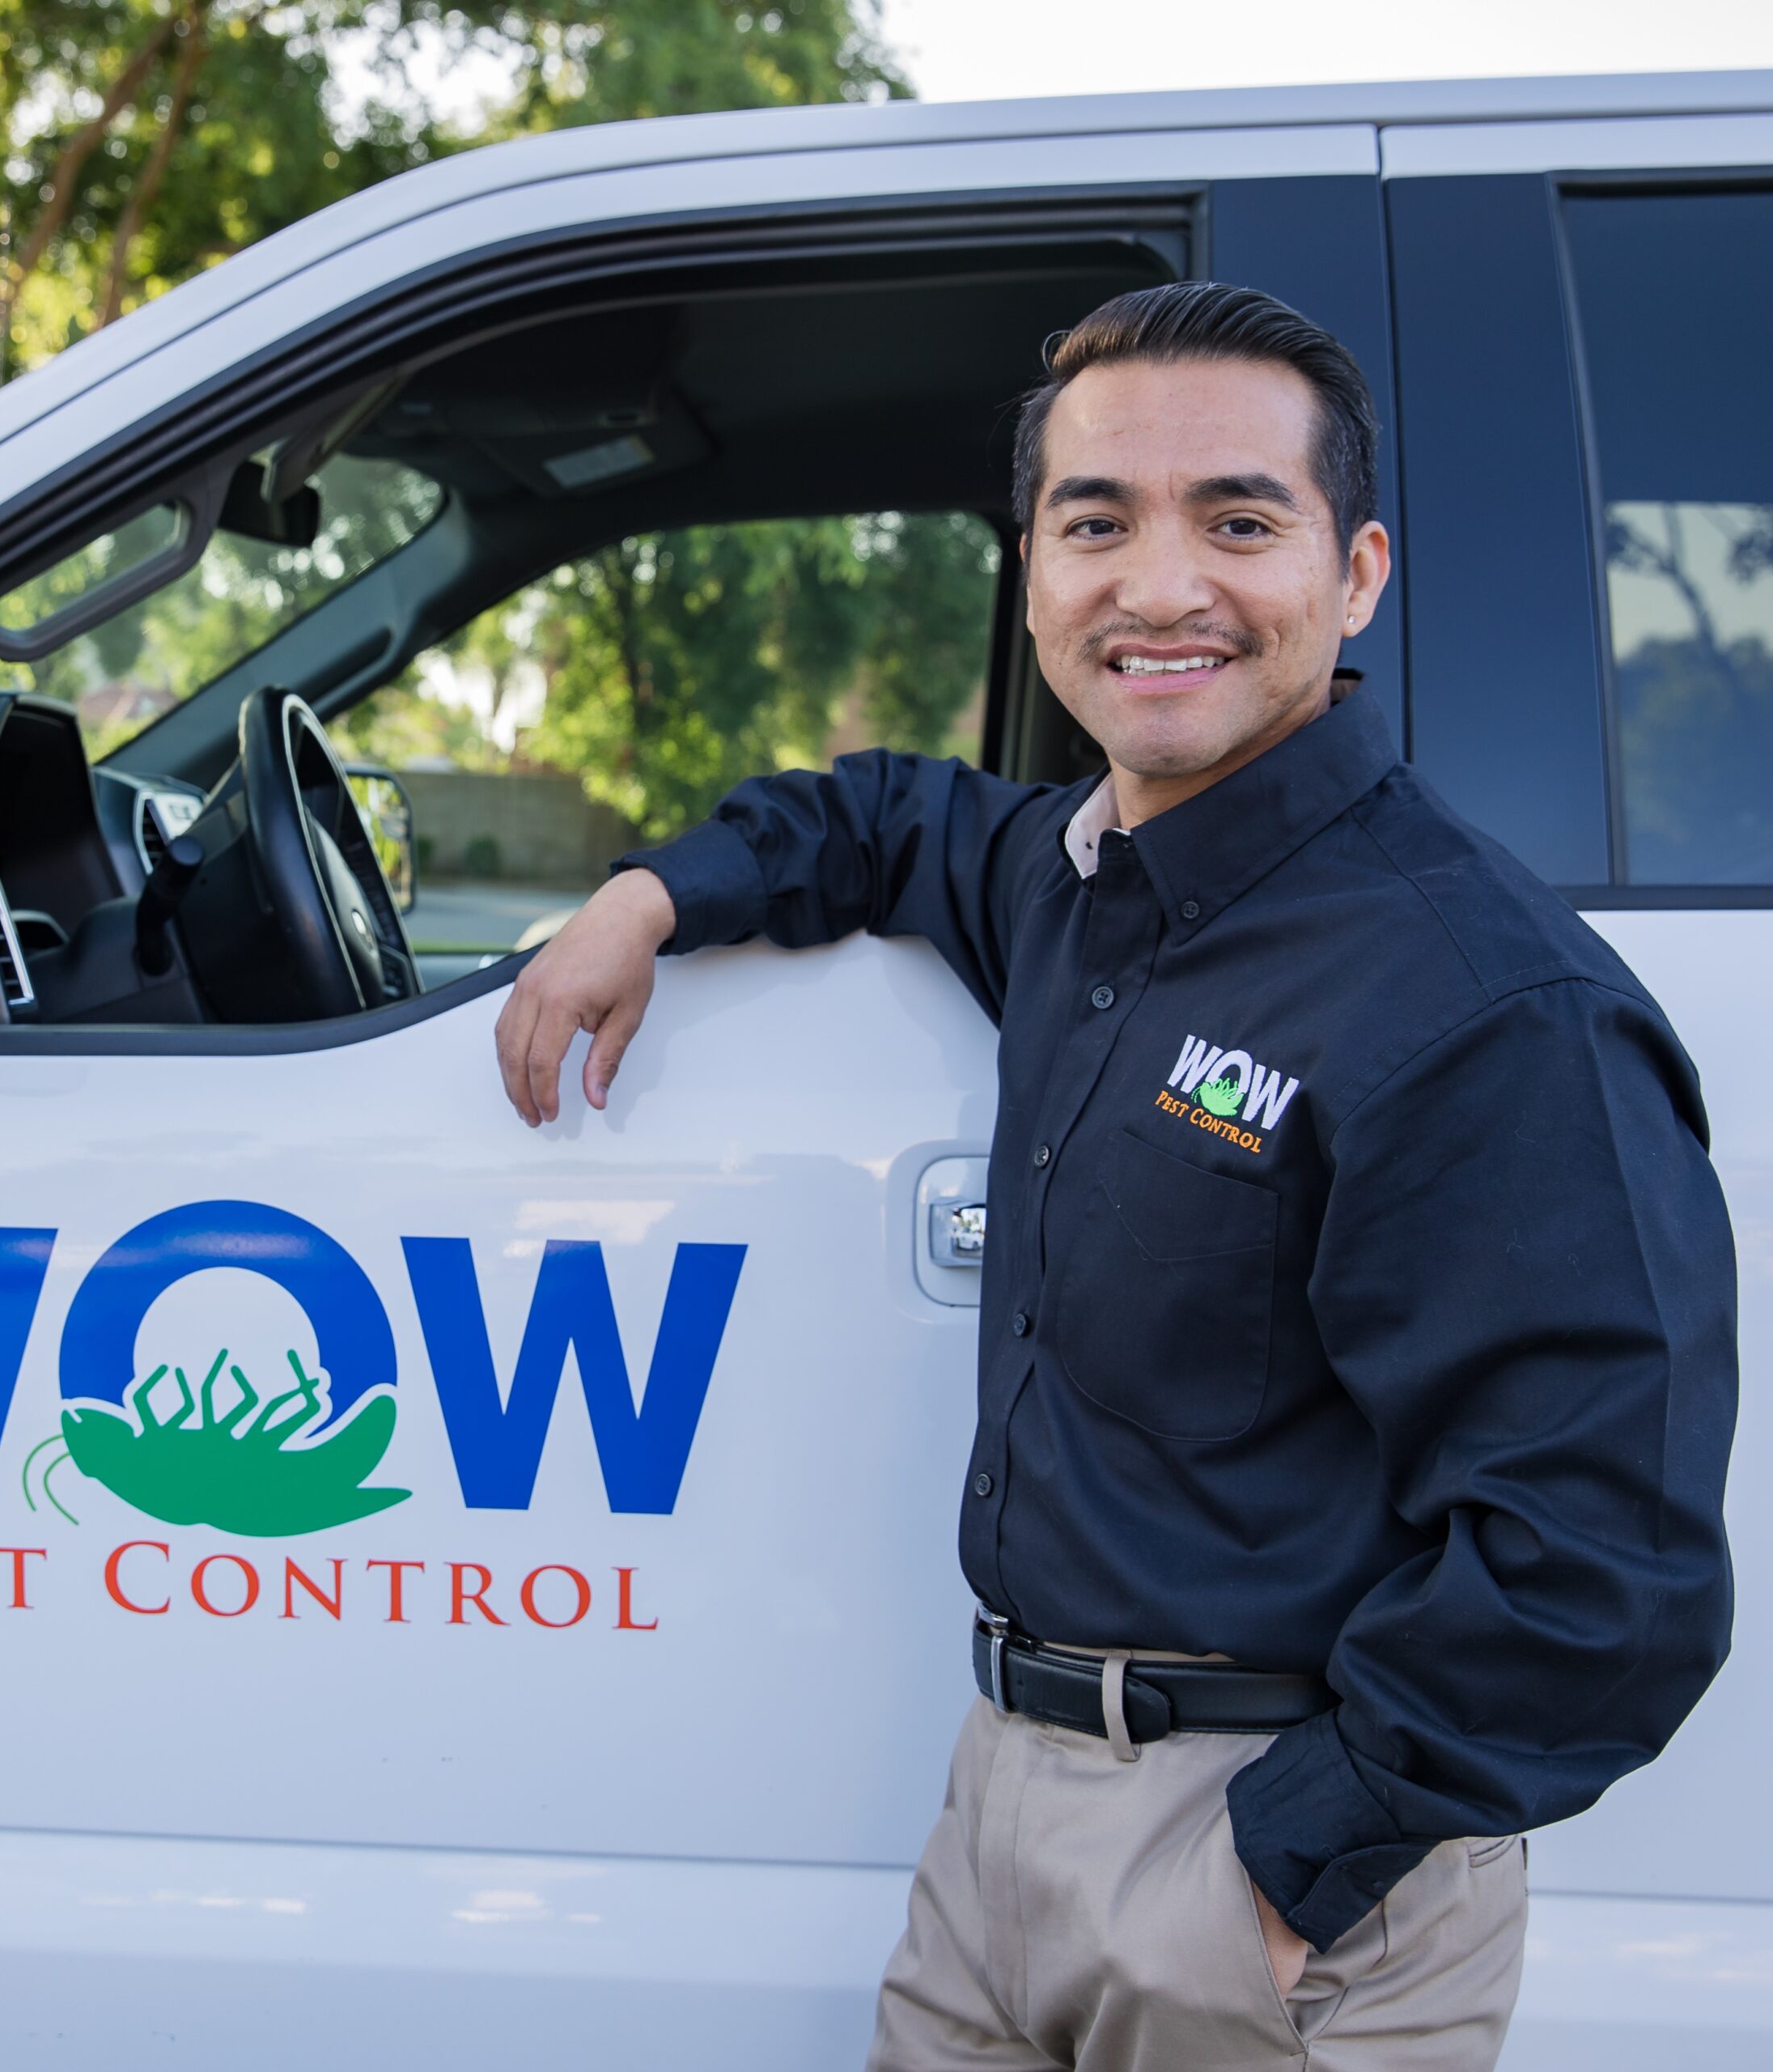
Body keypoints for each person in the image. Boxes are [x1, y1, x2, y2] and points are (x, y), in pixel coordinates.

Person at [492, 282, 1737, 2070]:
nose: (1158, 587)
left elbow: (1599, 1570)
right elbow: (885, 816)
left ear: (1357, 571)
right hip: (997, 1815)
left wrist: (1283, 1867)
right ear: (1031, 574)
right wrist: (645, 894)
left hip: (1261, 1880)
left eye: (1237, 520)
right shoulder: (1075, 878)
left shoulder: (1477, 1002)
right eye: (1096, 523)